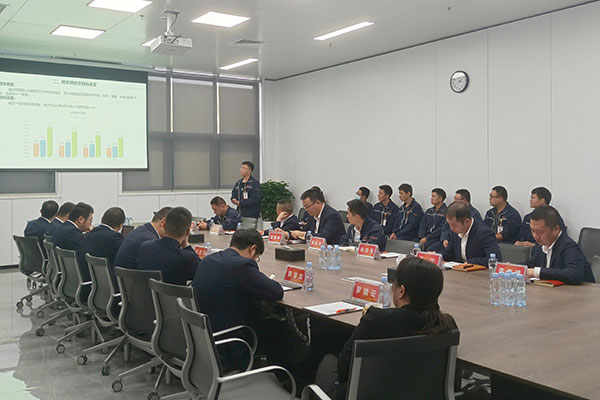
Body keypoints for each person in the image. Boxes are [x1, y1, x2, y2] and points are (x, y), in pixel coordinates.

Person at [314, 257, 457, 400]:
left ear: (401, 291)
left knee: (328, 362)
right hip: (421, 394)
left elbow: (344, 369)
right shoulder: (446, 324)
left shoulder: (377, 320)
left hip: (365, 395)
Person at [193, 229, 284, 368]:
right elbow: (276, 292)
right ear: (252, 249)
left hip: (204, 336)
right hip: (231, 342)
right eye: (257, 257)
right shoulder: (242, 266)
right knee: (277, 326)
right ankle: (280, 376)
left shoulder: (208, 260)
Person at [525, 206, 594, 284]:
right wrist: (515, 267)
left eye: (540, 232)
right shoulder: (543, 245)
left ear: (556, 229)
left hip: (581, 291)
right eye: (533, 231)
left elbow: (574, 274)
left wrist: (536, 272)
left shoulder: (569, 246)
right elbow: (531, 263)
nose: (535, 236)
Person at [137, 207, 199, 285]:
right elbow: (202, 273)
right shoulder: (188, 258)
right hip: (174, 293)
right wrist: (186, 245)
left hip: (145, 292)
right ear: (187, 232)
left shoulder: (145, 247)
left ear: (164, 225)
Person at [77, 207, 125, 286]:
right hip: (106, 287)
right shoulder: (115, 238)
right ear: (120, 226)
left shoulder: (90, 233)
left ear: (102, 219)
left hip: (88, 283)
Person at [52, 202, 94, 288]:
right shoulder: (72, 233)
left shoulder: (63, 227)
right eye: (90, 220)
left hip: (63, 277)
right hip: (75, 282)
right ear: (80, 219)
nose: (91, 223)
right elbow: (87, 253)